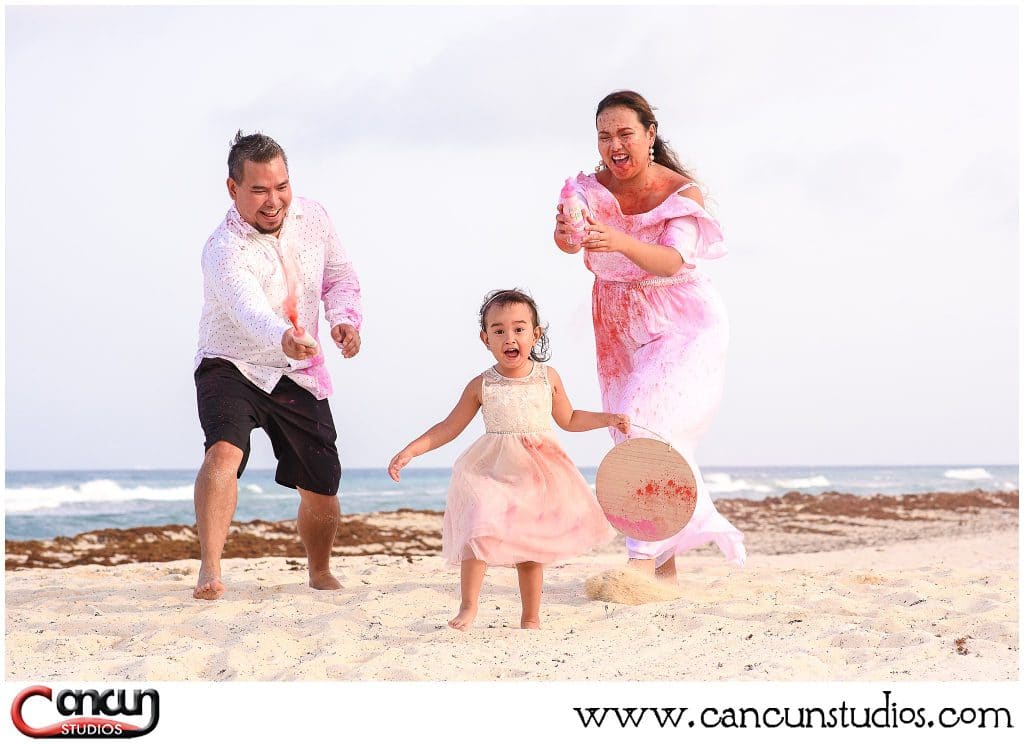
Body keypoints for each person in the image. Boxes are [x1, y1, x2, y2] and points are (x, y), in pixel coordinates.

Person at [553, 90, 746, 581]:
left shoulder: (681, 194)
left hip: (683, 321)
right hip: (617, 322)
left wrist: (619, 239)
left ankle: (638, 563)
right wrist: (565, 232)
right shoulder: (586, 188)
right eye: (604, 136)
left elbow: (672, 262)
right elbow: (569, 243)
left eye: (625, 134)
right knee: (628, 433)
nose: (614, 146)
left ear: (650, 135)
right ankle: (665, 569)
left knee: (644, 420)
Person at [388, 289, 625, 630]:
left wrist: (607, 418)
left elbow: (570, 419)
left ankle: (530, 616)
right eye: (498, 330)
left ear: (535, 334)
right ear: (485, 339)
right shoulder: (481, 384)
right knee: (477, 529)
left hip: (536, 475)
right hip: (491, 471)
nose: (509, 337)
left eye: (518, 328)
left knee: (529, 547)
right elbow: (449, 427)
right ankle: (468, 607)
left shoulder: (548, 377)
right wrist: (410, 450)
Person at [192, 131, 362, 600]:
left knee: (323, 481)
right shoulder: (224, 249)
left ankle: (320, 571)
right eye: (260, 190)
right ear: (233, 188)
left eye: (281, 186)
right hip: (232, 363)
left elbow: (340, 276)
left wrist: (345, 320)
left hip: (297, 371)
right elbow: (249, 311)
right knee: (225, 451)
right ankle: (210, 567)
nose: (274, 201)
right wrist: (284, 335)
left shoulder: (314, 217)